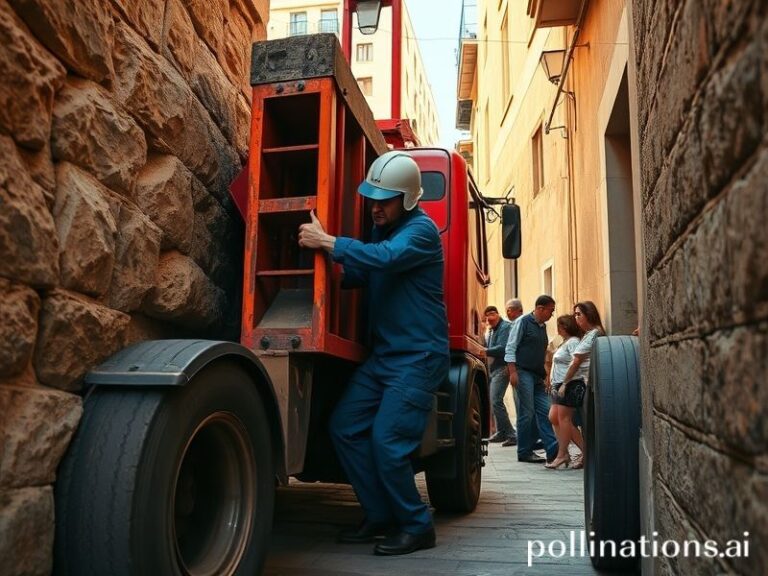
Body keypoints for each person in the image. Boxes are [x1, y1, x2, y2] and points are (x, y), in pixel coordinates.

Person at [298, 150, 448, 556]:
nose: (375, 206)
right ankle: (380, 514)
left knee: (387, 441)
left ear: (409, 199)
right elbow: (360, 273)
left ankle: (418, 526)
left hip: (418, 358)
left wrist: (328, 241)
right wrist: (313, 261)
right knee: (345, 427)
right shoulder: (383, 232)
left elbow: (384, 259)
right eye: (372, 198)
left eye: (385, 199)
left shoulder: (421, 232)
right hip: (386, 358)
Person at [504, 295, 559, 463]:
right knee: (526, 413)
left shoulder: (543, 327)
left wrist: (545, 374)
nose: (552, 314)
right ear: (540, 309)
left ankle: (553, 450)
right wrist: (512, 372)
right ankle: (524, 452)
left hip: (537, 376)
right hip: (522, 372)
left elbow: (542, 352)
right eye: (551, 310)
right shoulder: (523, 322)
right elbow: (511, 346)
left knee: (546, 411)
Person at [559, 301, 606, 469]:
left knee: (578, 421)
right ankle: (585, 455)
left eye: (579, 314)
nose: (576, 318)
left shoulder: (594, 334)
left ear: (589, 315)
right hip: (586, 383)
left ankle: (586, 455)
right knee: (579, 422)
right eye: (575, 315)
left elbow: (576, 362)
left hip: (587, 383)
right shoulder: (588, 334)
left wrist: (565, 382)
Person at [545, 315, 584, 469]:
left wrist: (566, 383)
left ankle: (562, 455)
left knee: (564, 419)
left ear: (565, 327)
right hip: (559, 384)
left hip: (569, 385)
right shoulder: (565, 343)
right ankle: (578, 451)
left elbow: (576, 362)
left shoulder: (573, 342)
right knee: (554, 417)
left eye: (560, 325)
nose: (558, 328)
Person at [483, 306, 517, 446]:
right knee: (494, 401)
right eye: (487, 316)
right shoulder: (492, 330)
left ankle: (511, 434)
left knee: (496, 400)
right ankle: (501, 432)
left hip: (503, 368)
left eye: (492, 314)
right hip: (494, 369)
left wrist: (485, 351)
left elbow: (503, 348)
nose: (490, 318)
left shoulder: (505, 327)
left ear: (497, 314)